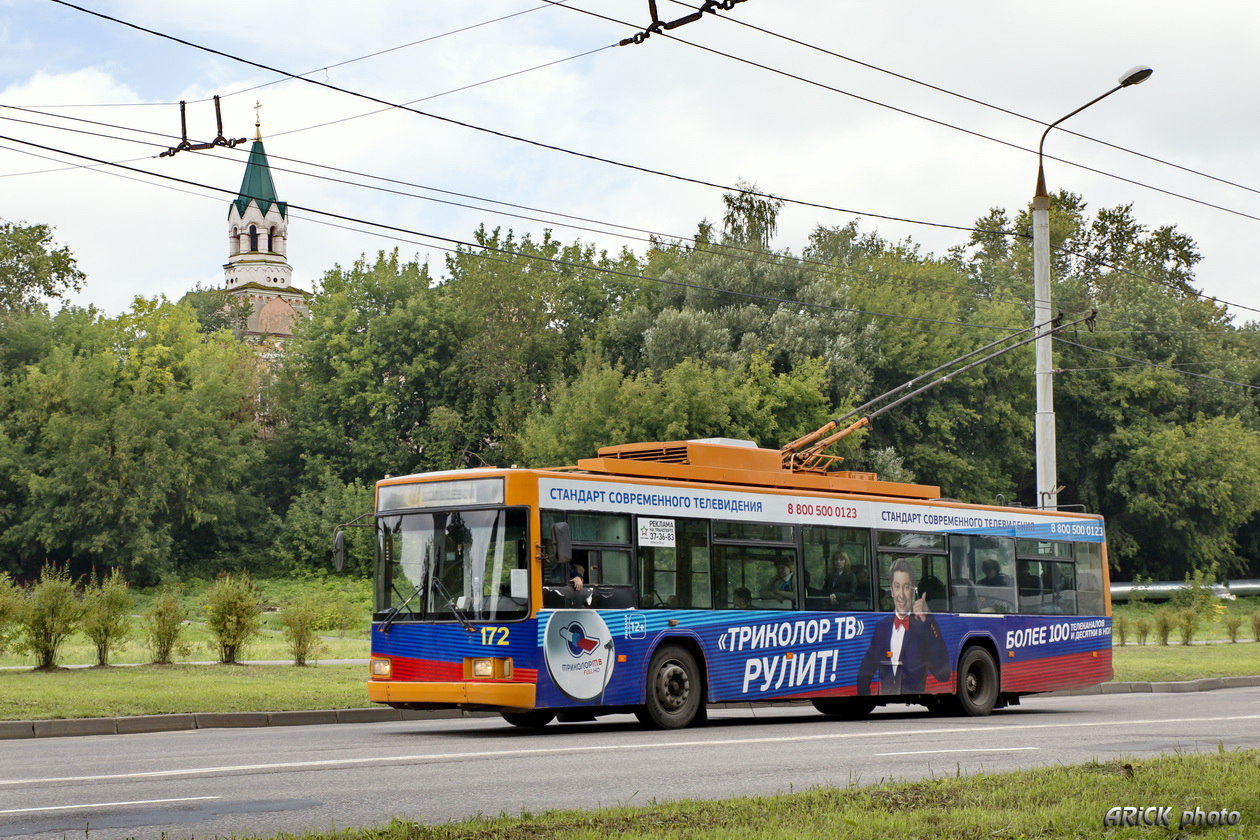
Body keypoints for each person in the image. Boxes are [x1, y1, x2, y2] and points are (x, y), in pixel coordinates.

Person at [856, 557, 950, 696]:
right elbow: (865, 671)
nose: (901, 595)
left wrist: (929, 618)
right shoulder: (882, 626)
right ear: (892, 591)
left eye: (906, 587)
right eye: (897, 586)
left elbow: (943, 674)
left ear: (913, 591)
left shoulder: (924, 625)